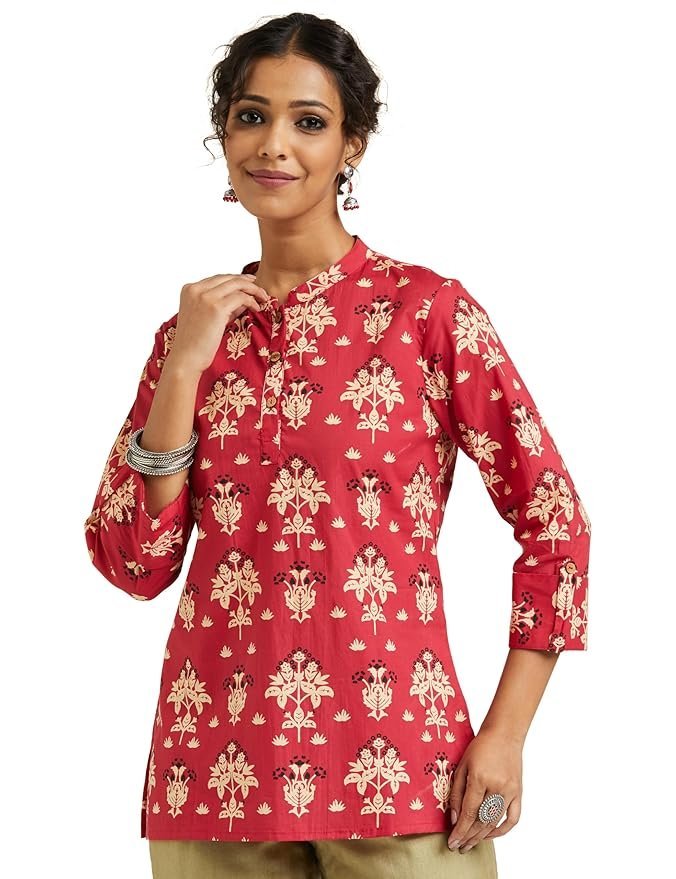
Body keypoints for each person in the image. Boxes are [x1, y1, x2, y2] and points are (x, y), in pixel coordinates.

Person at [83, 11, 590, 879]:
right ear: (223, 134)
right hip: (214, 776)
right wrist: (185, 367)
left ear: (351, 144)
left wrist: (506, 735)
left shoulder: (427, 313)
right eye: (251, 116)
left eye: (308, 121)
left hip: (403, 770)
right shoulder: (189, 333)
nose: (273, 144)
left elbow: (555, 521)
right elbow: (133, 561)